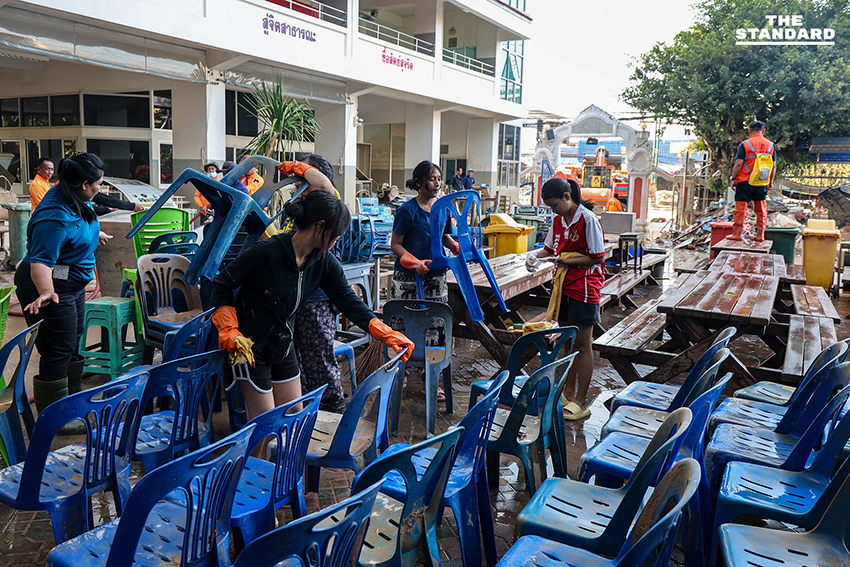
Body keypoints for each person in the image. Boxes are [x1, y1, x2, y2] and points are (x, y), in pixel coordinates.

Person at [212, 188, 413, 422]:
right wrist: (228, 328)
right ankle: (253, 460)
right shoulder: (267, 252)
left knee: (294, 418)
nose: (339, 238)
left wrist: (385, 333)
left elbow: (347, 300)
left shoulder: (323, 261)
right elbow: (223, 283)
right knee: (265, 425)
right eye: (336, 233)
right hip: (249, 348)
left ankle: (286, 460)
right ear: (319, 226)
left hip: (284, 345)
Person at [14, 152, 113, 426]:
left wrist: (95, 235)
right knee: (58, 347)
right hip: (47, 283)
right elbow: (40, 264)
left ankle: (72, 401)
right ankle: (55, 419)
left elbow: (79, 224)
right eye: (99, 183)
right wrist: (46, 291)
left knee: (73, 339)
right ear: (83, 183)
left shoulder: (74, 195)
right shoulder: (54, 218)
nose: (100, 188)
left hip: (68, 279)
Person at [525, 178, 605, 420]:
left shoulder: (588, 220)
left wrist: (565, 261)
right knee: (567, 342)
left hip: (585, 288)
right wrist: (534, 256)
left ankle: (580, 399)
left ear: (567, 197)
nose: (553, 211)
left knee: (583, 344)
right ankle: (567, 392)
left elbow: (598, 257)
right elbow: (549, 249)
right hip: (564, 288)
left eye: (555, 205)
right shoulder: (559, 221)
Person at [288, 154, 351, 413]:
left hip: (319, 299)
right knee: (299, 359)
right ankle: (307, 409)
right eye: (297, 183)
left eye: (304, 182)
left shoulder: (329, 204)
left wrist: (298, 167)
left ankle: (333, 404)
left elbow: (325, 186)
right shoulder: (300, 209)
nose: (298, 188)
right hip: (298, 297)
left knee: (320, 355)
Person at [390, 160, 460, 304]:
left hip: (436, 274)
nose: (437, 184)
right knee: (405, 321)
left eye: (439, 179)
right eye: (432, 179)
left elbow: (444, 236)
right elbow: (396, 244)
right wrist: (415, 263)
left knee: (435, 320)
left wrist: (453, 244)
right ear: (418, 182)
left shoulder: (443, 208)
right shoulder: (407, 210)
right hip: (408, 276)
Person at [730, 120, 775, 241]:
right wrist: (770, 181)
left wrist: (733, 178)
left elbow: (739, 163)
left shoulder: (745, 144)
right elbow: (773, 166)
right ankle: (760, 235)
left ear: (749, 131)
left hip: (745, 181)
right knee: (761, 209)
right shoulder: (771, 145)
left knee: (741, 208)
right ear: (763, 131)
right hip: (761, 181)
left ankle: (737, 234)